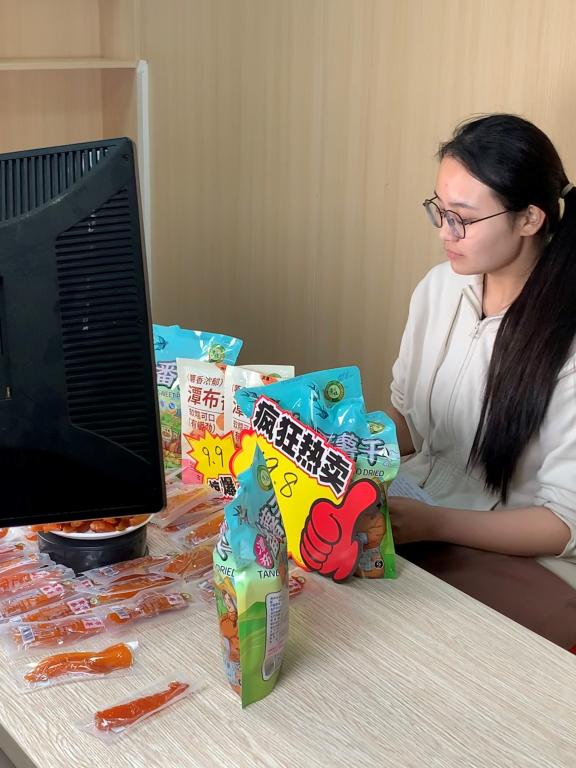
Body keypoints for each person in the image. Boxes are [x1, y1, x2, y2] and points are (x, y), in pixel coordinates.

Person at [387, 114, 576, 608]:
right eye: (439, 210)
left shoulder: (566, 340)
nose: (444, 233)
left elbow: (564, 523)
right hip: (424, 505)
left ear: (529, 219)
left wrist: (433, 524)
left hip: (527, 559)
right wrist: (337, 435)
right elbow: (408, 422)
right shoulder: (439, 288)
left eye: (462, 219)